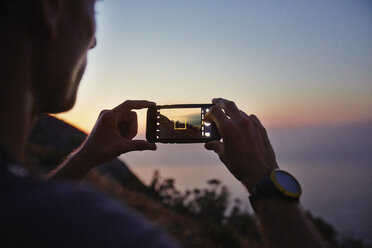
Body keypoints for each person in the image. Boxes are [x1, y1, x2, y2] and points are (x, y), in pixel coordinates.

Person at [0, 1, 326, 247]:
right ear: (50, 8)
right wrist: (265, 184)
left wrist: (85, 158)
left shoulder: (20, 210)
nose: (94, 42)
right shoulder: (102, 232)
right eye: (93, 10)